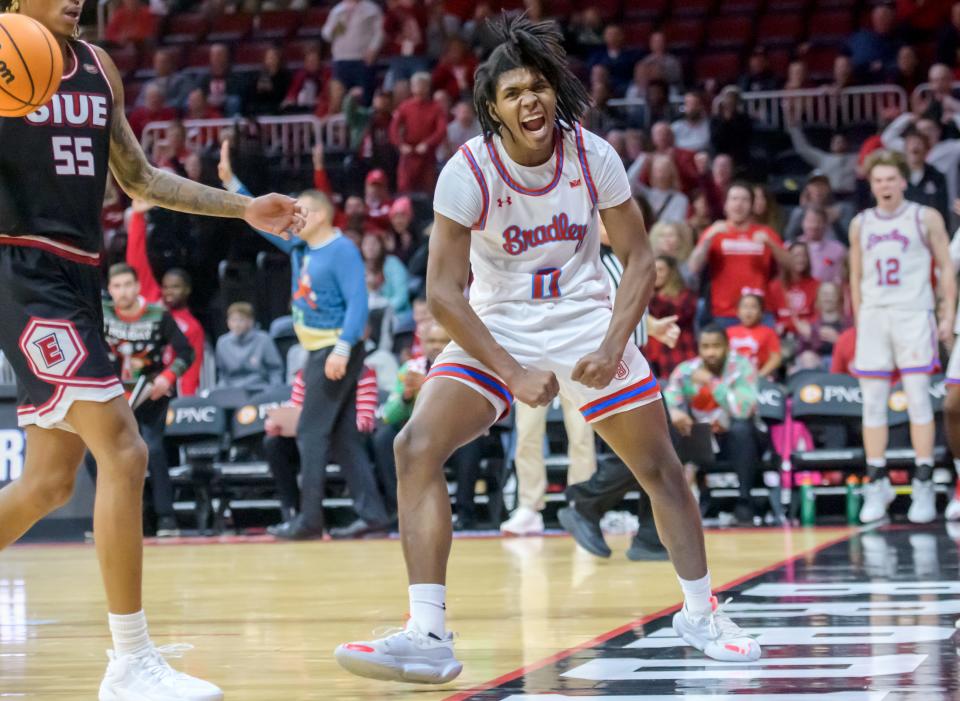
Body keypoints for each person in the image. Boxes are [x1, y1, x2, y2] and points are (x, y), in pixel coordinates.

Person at [335, 16, 760, 685]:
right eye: (513, 93)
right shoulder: (467, 170)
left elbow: (642, 260)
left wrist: (615, 341)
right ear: (492, 110)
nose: (530, 100)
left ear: (554, 91)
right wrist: (512, 371)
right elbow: (444, 294)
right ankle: (428, 632)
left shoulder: (593, 156)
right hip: (499, 323)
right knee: (414, 445)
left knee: (660, 467)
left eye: (538, 86)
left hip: (586, 317)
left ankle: (701, 612)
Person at [0, 0, 303, 696]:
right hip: (21, 272)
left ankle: (132, 655)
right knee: (126, 448)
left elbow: (138, 179)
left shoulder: (96, 66)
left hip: (78, 275)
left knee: (48, 479)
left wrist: (242, 206)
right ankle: (129, 661)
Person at [218, 143, 388, 541]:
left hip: (332, 349)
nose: (294, 219)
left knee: (311, 433)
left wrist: (344, 348)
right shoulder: (301, 248)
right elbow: (260, 222)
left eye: (302, 212)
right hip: (322, 349)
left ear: (322, 214)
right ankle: (374, 515)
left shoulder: (341, 248)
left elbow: (359, 304)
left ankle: (309, 520)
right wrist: (233, 184)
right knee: (343, 437)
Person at [850, 151, 956, 525]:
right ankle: (877, 482)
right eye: (878, 180)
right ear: (871, 184)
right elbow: (855, 275)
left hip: (914, 313)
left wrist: (947, 314)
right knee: (873, 404)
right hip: (876, 316)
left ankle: (924, 481)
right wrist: (861, 318)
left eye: (890, 179)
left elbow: (946, 268)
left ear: (903, 181)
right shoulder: (861, 223)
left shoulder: (924, 217)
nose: (884, 185)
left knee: (918, 401)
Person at [101, 263, 194, 538]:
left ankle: (166, 518)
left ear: (138, 287)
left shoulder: (158, 314)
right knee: (99, 454)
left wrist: (167, 376)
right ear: (110, 290)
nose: (123, 292)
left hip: (150, 392)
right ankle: (113, 521)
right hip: (113, 394)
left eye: (128, 285)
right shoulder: (101, 314)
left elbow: (185, 353)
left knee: (153, 449)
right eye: (117, 287)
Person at [373, 321, 486, 528]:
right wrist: (406, 398)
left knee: (473, 442)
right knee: (384, 439)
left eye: (442, 341)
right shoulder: (409, 369)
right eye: (431, 341)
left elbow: (466, 407)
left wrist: (426, 385)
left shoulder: (466, 366)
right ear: (423, 344)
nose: (436, 346)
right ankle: (399, 510)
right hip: (420, 437)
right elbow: (388, 415)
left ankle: (464, 513)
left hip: (454, 436)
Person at [264, 365, 386, 536]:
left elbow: (365, 421)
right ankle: (292, 515)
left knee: (341, 439)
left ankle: (369, 518)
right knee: (274, 443)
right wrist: (282, 424)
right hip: (310, 438)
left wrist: (330, 425)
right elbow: (296, 410)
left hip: (343, 439)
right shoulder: (305, 372)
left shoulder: (363, 372)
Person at [664, 325, 765, 525]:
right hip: (701, 439)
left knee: (742, 428)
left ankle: (744, 502)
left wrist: (712, 381)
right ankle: (678, 506)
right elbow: (668, 401)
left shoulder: (742, 367)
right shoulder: (685, 371)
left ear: (727, 347)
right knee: (673, 427)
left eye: (716, 346)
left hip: (734, 440)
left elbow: (742, 409)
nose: (710, 352)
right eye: (705, 346)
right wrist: (674, 412)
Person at [687, 183, 790, 326]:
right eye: (734, 199)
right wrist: (708, 238)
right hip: (724, 313)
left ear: (752, 205)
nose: (739, 204)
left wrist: (771, 244)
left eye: (744, 200)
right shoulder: (714, 232)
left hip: (760, 312)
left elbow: (791, 264)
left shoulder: (766, 233)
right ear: (726, 205)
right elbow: (692, 267)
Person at [389, 72, 449, 194]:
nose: (420, 88)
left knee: (428, 190)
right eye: (417, 85)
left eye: (424, 85)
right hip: (408, 154)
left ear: (428, 87)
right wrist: (400, 145)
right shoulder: (405, 107)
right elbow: (393, 128)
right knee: (404, 189)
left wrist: (428, 144)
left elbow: (441, 130)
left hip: (427, 156)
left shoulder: (436, 108)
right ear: (412, 87)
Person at [321, 0, 384, 101]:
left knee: (364, 97)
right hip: (341, 60)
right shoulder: (337, 11)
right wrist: (337, 27)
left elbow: (380, 32)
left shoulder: (372, 9)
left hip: (363, 60)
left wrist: (373, 49)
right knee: (339, 97)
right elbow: (326, 35)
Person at [214, 302, 284, 392]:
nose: (236, 325)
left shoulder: (264, 339)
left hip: (259, 388)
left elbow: (275, 370)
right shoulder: (222, 342)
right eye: (233, 320)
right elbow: (222, 374)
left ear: (250, 321)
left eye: (241, 320)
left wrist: (274, 391)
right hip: (232, 390)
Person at [766, 241, 820, 337]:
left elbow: (818, 314)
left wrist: (810, 324)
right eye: (796, 256)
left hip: (807, 335)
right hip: (782, 336)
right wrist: (776, 326)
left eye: (804, 256)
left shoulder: (816, 285)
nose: (800, 259)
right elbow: (769, 315)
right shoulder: (774, 286)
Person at [726, 293, 782, 379]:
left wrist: (759, 376)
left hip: (760, 377)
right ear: (737, 312)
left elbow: (776, 358)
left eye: (753, 307)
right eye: (745, 307)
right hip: (732, 378)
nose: (748, 311)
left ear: (761, 313)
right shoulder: (728, 332)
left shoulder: (769, 332)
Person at [903, 129, 950, 224]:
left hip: (928, 227)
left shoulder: (937, 176)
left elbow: (942, 208)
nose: (915, 146)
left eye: (919, 143)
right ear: (905, 149)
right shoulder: (896, 175)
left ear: (926, 149)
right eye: (911, 143)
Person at [797, 206, 848, 286]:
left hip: (827, 295)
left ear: (826, 224)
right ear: (802, 222)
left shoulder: (838, 249)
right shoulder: (790, 247)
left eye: (818, 221)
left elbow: (840, 280)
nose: (814, 225)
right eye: (810, 221)